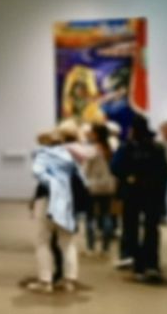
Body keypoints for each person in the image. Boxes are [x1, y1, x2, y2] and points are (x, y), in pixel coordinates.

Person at [28, 127, 88, 293]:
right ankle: (69, 280)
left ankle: (45, 281)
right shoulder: (72, 159)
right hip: (67, 203)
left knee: (42, 241)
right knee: (67, 243)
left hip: (47, 201)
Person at [111, 115, 167, 282]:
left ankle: (139, 265)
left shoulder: (126, 147)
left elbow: (115, 167)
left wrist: (129, 176)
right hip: (153, 194)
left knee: (131, 230)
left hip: (132, 194)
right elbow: (164, 173)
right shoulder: (157, 148)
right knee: (152, 229)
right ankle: (152, 264)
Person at [82, 123, 117, 257]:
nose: (90, 134)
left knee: (90, 217)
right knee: (106, 215)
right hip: (108, 186)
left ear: (96, 134)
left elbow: (85, 169)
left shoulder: (92, 149)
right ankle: (105, 248)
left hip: (93, 185)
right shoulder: (111, 148)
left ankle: (91, 247)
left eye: (92, 132)